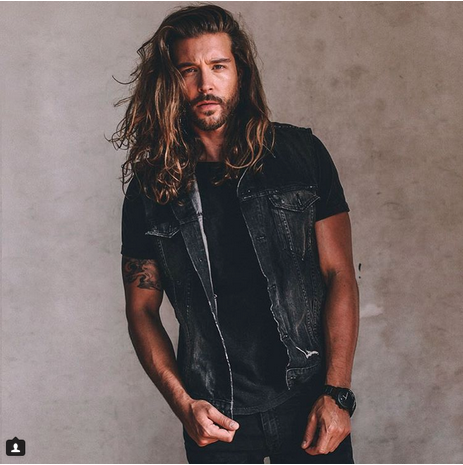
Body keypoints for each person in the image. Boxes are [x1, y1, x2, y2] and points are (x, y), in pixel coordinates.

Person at [112, 4, 359, 464]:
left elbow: (340, 275)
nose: (205, 84)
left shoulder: (301, 155)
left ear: (240, 73)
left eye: (218, 66)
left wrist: (337, 393)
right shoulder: (150, 189)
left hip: (308, 401)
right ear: (169, 83)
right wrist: (183, 404)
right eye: (188, 70)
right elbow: (141, 309)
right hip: (214, 413)